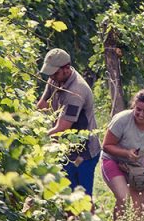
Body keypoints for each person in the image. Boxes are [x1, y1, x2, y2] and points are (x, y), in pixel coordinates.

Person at [36, 48, 100, 200]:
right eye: (50, 73)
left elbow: (61, 128)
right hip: (64, 147)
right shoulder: (55, 79)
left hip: (83, 153)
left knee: (82, 200)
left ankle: (88, 217)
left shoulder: (76, 92)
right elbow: (42, 105)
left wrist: (37, 140)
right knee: (66, 197)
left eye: (55, 73)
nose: (51, 77)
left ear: (66, 68)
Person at [101, 88, 144, 220]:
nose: (141, 114)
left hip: (136, 164)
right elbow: (106, 146)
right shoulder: (122, 119)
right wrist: (126, 153)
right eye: (138, 109)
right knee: (123, 197)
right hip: (113, 160)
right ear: (134, 106)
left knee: (142, 209)